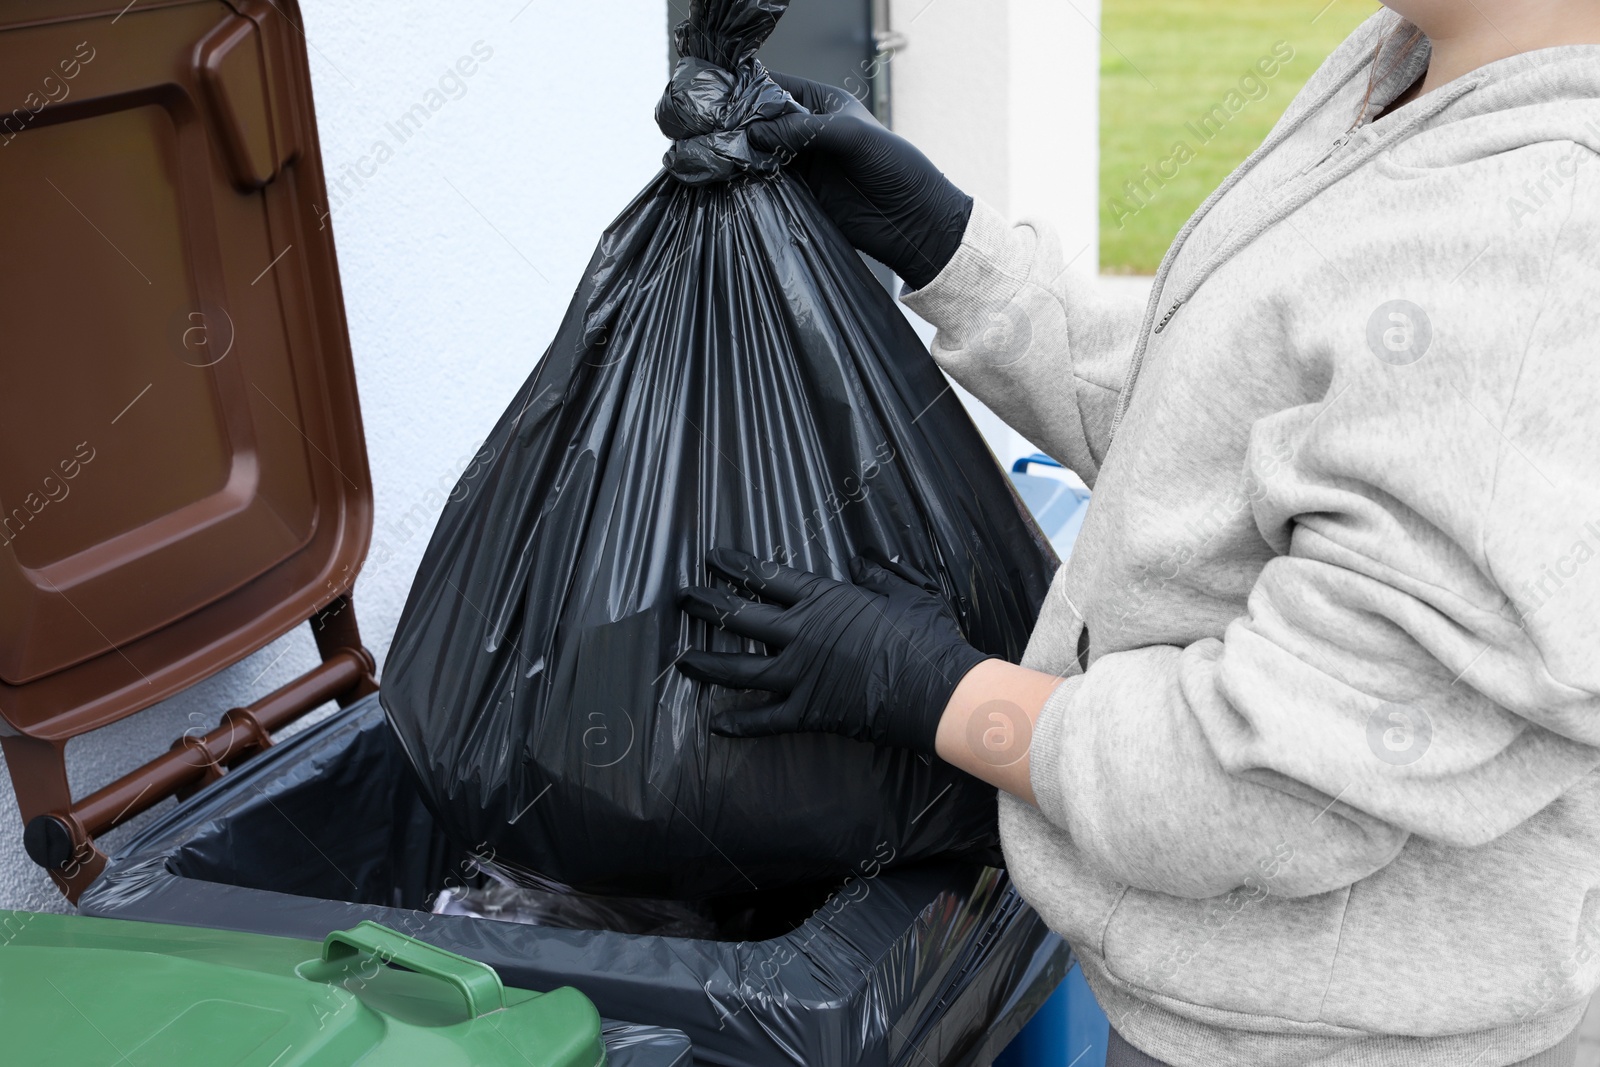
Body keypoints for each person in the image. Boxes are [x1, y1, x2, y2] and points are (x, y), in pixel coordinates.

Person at [676, 2, 1600, 1065]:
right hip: (1224, 1000)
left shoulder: (1537, 238)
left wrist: (931, 689)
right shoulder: (1412, 62)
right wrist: (955, 255)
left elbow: (1275, 783)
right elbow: (1229, 439)